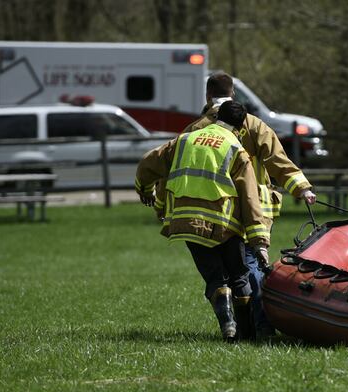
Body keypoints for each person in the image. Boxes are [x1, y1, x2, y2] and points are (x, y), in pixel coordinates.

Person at [170, 71, 316, 340]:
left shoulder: (196, 128)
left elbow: (172, 162)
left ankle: (247, 328)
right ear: (234, 94)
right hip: (254, 210)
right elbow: (277, 160)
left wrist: (160, 200)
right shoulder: (254, 124)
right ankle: (260, 327)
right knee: (250, 267)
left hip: (214, 212)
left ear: (207, 95)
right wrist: (302, 188)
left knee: (227, 275)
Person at [135, 101, 269, 342]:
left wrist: (144, 189)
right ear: (239, 129)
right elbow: (250, 198)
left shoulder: (185, 140)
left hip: (187, 221)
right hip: (223, 224)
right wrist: (259, 241)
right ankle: (247, 336)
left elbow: (148, 163)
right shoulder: (236, 149)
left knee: (216, 278)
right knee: (239, 276)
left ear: (217, 118)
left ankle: (228, 324)